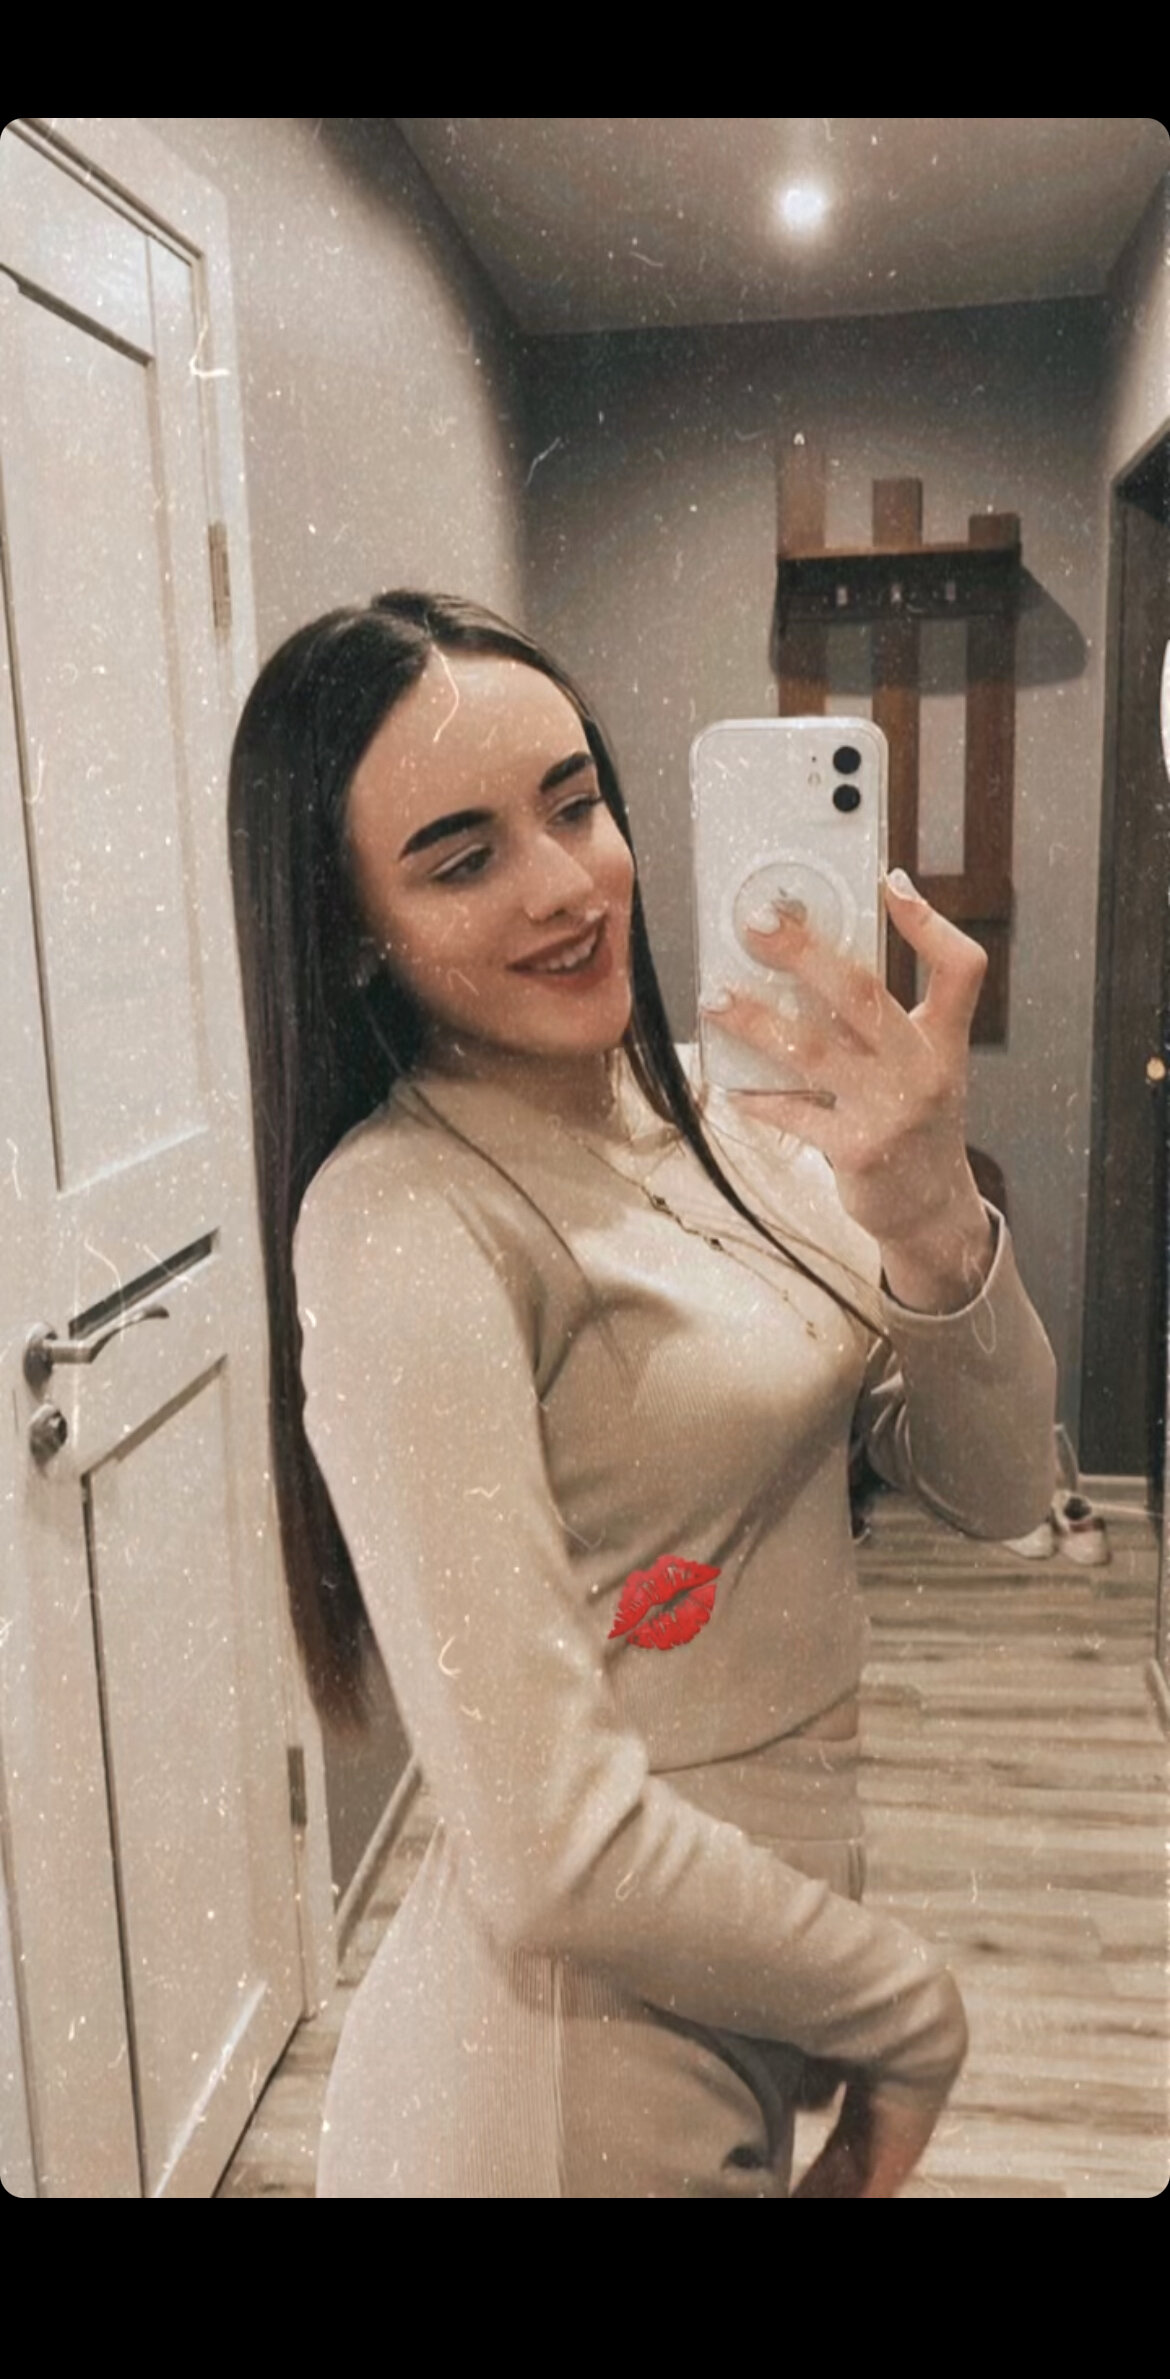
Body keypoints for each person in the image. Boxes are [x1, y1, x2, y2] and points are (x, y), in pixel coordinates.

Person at [228, 590, 1057, 2198]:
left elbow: (1001, 1490)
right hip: (563, 2083)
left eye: (574, 803)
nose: (565, 884)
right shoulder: (400, 1218)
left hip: (739, 1970)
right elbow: (551, 1850)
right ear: (350, 928)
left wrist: (926, 1216)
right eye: (460, 858)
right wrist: (909, 2012)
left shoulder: (719, 1120)